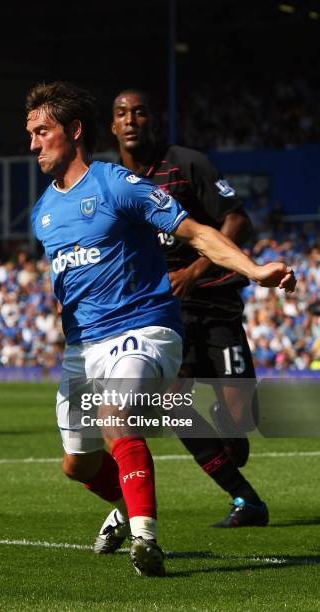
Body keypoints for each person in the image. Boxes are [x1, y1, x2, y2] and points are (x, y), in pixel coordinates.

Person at [26, 81, 295, 577]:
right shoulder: (43, 213)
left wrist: (255, 272)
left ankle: (146, 539)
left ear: (74, 131)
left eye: (43, 131)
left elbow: (197, 231)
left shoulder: (117, 185)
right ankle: (129, 504)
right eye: (31, 134)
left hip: (144, 330)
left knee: (117, 414)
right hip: (84, 349)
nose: (34, 143)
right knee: (77, 465)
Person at [109, 88, 274, 531]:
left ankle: (228, 425)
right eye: (122, 114)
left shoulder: (185, 163)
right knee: (169, 401)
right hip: (162, 315)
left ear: (153, 120)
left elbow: (237, 218)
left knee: (240, 422)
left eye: (140, 112)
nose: (131, 120)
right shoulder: (110, 182)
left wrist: (197, 270)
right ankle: (243, 497)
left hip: (214, 300)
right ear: (112, 126)